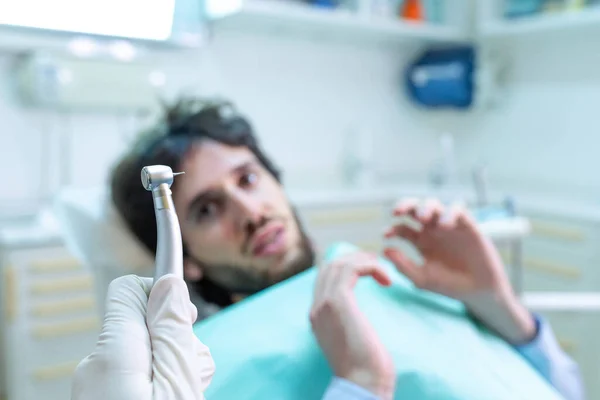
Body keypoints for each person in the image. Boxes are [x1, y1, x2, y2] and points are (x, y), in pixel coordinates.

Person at [106, 97, 583, 399]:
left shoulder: (393, 276)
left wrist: (501, 309)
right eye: (208, 209)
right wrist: (359, 384)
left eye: (249, 179)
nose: (250, 211)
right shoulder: (202, 371)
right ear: (184, 256)